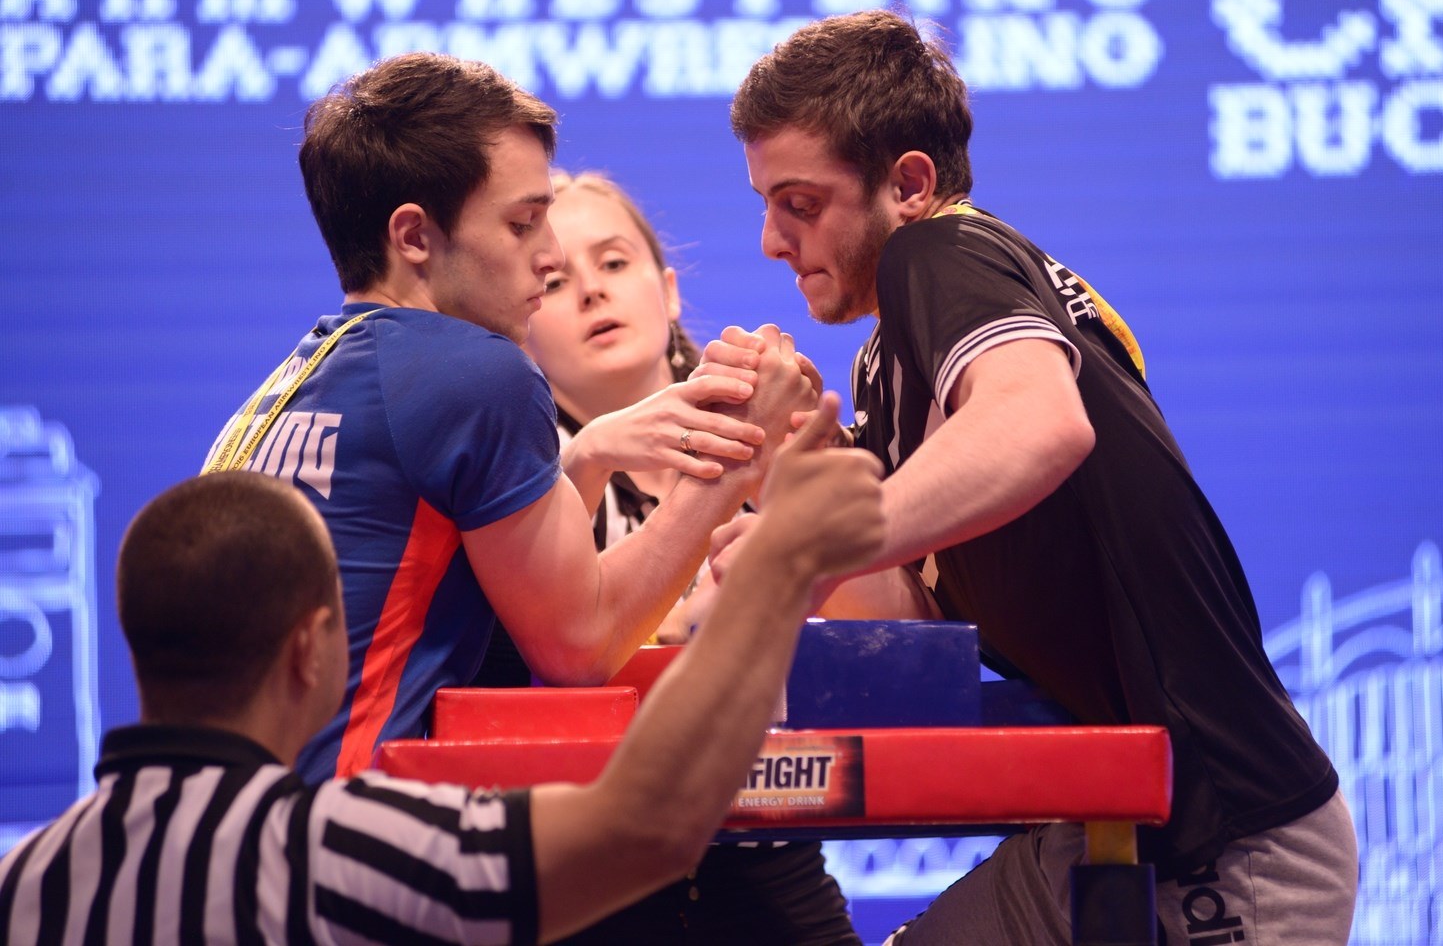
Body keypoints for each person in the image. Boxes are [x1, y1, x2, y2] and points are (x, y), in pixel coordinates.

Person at [717, 10, 1359, 946]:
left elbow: (1040, 424)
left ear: (907, 184)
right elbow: (910, 606)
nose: (775, 241)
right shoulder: (888, 362)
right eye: (766, 205)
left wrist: (811, 539)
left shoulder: (941, 252)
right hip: (1105, 827)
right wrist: (782, 472)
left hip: (1230, 845)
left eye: (801, 204)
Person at [0, 411, 884, 943]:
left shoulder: (25, 881)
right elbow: (648, 825)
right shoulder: (342, 850)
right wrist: (778, 564)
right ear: (313, 649)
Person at [200, 52, 815, 783]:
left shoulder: (290, 387)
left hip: (220, 837)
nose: (551, 257)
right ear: (415, 238)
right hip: (332, 845)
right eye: (524, 224)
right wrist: (741, 449)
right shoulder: (474, 370)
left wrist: (582, 460)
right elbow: (578, 650)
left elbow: (496, 615)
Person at [473, 170, 861, 944]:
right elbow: (563, 657)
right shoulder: (514, 470)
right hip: (589, 862)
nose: (590, 291)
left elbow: (870, 641)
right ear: (522, 323)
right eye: (554, 280)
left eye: (614, 263)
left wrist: (814, 482)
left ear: (670, 290)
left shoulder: (772, 426)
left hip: (768, 846)